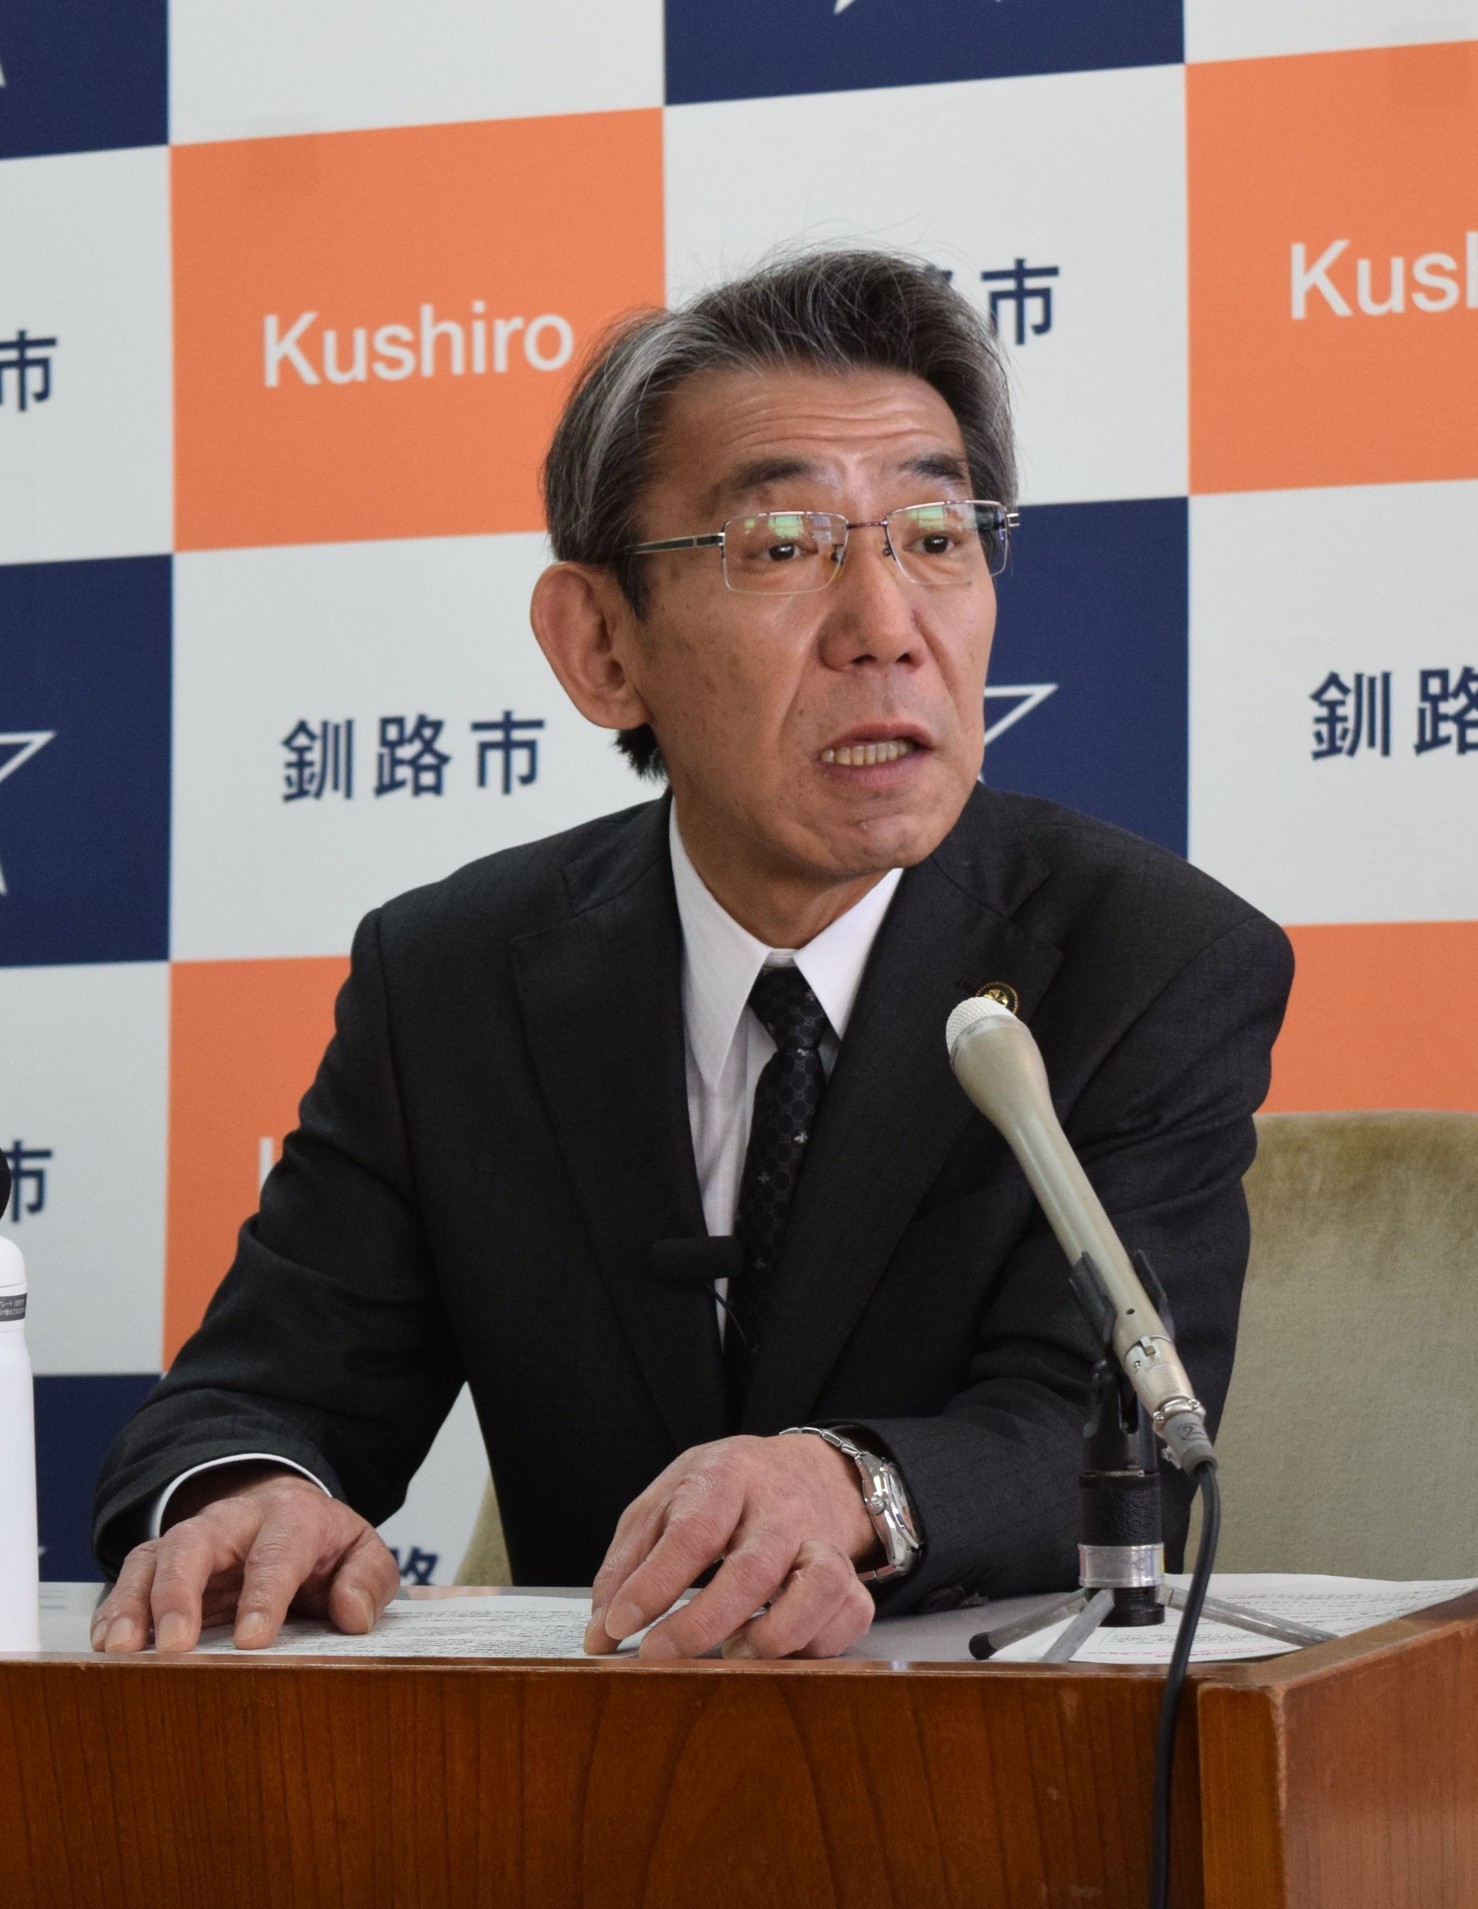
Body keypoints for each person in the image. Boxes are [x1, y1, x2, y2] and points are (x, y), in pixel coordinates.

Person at [92, 249, 1292, 1662]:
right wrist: (248, 1496)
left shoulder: (1145, 960)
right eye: (781, 547)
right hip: (590, 1760)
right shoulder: (454, 978)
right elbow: (258, 1395)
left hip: (993, 1743)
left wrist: (846, 1486)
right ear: (601, 644)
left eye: (934, 535)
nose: (886, 629)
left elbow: (1093, 1433)